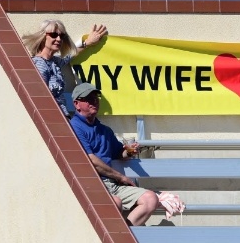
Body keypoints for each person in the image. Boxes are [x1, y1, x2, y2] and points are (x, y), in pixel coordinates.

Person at [69, 83, 159, 226]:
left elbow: (118, 153)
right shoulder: (74, 127)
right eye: (89, 99)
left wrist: (129, 151)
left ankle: (124, 235)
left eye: (96, 98)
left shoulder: (105, 130)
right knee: (115, 203)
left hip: (112, 184)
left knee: (151, 199)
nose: (95, 101)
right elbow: (91, 161)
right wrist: (121, 177)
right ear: (77, 104)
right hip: (92, 184)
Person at [22, 20, 107, 118]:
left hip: (62, 117)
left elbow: (70, 55)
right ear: (43, 37)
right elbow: (41, 97)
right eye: (54, 35)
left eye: (61, 36)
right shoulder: (40, 64)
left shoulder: (54, 61)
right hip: (52, 118)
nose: (58, 39)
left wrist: (88, 42)